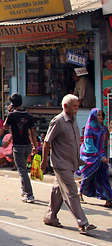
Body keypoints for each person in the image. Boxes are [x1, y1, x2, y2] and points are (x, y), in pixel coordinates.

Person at [42, 94, 96, 234]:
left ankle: (50, 216)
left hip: (71, 162)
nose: (77, 108)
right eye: (75, 106)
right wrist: (43, 162)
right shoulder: (58, 121)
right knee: (72, 192)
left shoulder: (73, 120)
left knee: (57, 191)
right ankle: (82, 223)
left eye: (78, 106)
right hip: (61, 163)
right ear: (65, 106)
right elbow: (47, 142)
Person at [4, 93, 38, 203]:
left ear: (12, 104)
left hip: (18, 146)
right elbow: (33, 132)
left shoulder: (12, 115)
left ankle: (29, 194)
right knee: (23, 169)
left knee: (22, 171)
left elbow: (5, 126)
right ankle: (24, 190)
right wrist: (35, 146)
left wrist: (9, 112)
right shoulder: (28, 115)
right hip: (27, 145)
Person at [79, 109, 112, 207]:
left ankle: (108, 198)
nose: (100, 117)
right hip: (90, 156)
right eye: (98, 115)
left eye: (101, 115)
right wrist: (98, 156)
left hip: (100, 156)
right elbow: (89, 144)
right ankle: (80, 193)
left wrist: (102, 155)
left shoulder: (101, 128)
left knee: (103, 177)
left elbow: (101, 144)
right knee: (88, 176)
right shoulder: (89, 128)